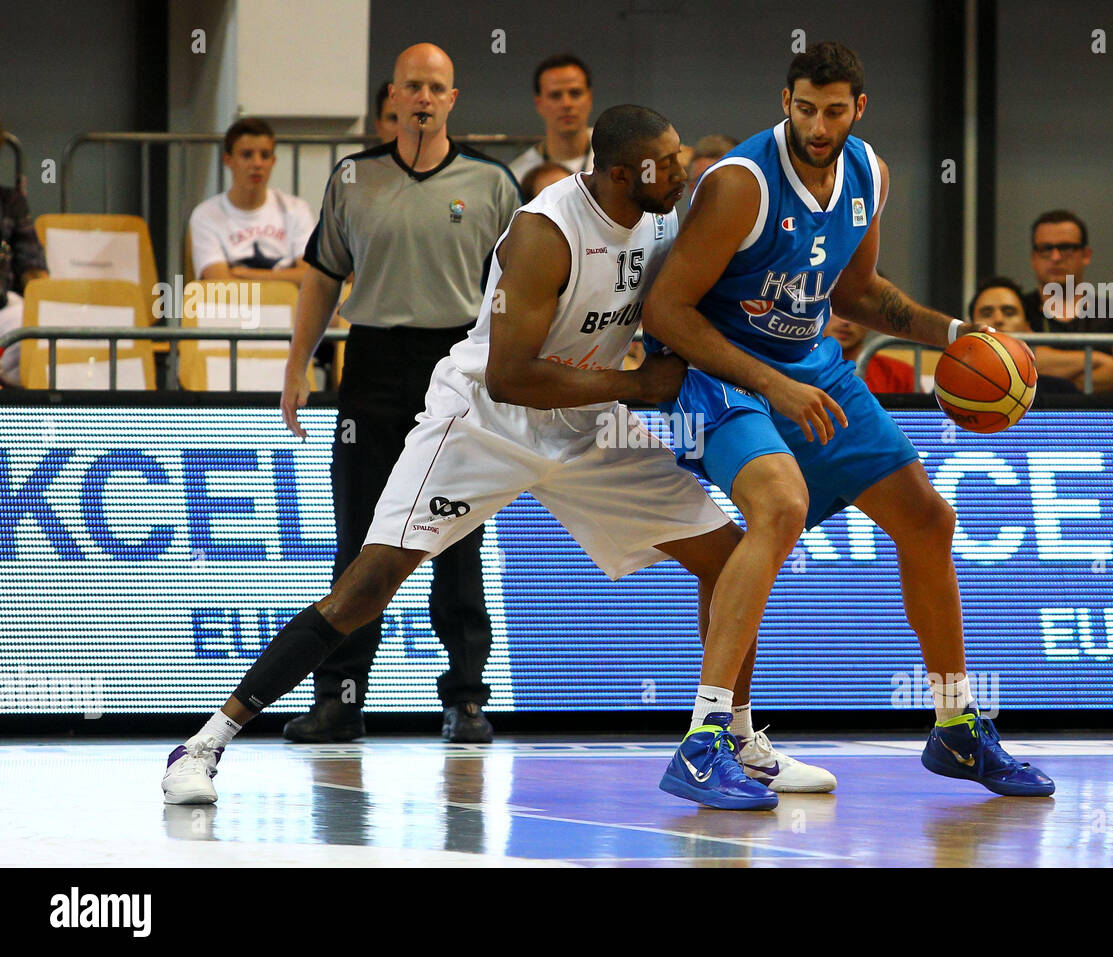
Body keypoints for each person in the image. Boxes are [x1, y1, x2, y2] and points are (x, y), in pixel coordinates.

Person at [162, 104, 833, 812]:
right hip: (484, 419)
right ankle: (204, 743)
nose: (681, 169)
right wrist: (638, 384)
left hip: (585, 424)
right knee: (368, 586)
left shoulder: (665, 220)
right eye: (663, 163)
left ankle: (729, 741)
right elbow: (512, 376)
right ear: (616, 174)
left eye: (678, 157)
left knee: (731, 560)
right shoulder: (546, 233)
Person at [643, 40, 1054, 797]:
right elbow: (666, 309)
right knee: (780, 507)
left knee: (928, 519)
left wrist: (957, 336)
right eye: (805, 108)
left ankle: (956, 726)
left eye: (834, 110)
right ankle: (704, 740)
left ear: (858, 109)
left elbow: (858, 294)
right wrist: (773, 382)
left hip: (809, 365)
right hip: (722, 371)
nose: (819, 125)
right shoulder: (740, 184)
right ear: (786, 102)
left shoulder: (870, 173)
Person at [279, 43, 520, 745]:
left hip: (457, 367)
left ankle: (467, 699)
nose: (422, 97)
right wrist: (298, 363)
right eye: (412, 86)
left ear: (452, 98)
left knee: (457, 536)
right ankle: (340, 699)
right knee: (361, 538)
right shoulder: (352, 178)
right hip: (373, 362)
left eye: (436, 87)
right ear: (393, 95)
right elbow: (324, 276)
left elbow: (520, 289)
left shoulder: (492, 182)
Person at [1022, 210, 1113, 393]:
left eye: (1066, 248)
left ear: (1086, 255)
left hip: (1101, 419)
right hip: (1033, 419)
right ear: (1033, 258)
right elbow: (1012, 364)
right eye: (1046, 249)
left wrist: (1050, 375)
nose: (1055, 257)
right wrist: (1094, 359)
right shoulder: (1017, 308)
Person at [188, 119, 316, 286]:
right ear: (228, 160)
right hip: (233, 310)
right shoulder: (205, 215)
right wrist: (288, 277)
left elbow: (309, 276)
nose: (257, 164)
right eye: (247, 155)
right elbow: (220, 282)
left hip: (288, 309)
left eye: (265, 155)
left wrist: (245, 273)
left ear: (273, 161)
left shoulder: (296, 209)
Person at [0, 121, 48, 388]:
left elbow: (33, 267)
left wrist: (46, 304)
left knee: (32, 326)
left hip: (2, 308)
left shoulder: (10, 202)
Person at [969, 276, 1077, 393]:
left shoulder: (1058, 389)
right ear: (970, 326)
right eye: (986, 313)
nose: (998, 319)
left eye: (1009, 312)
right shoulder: (955, 382)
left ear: (1027, 326)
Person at [508, 54, 594, 183]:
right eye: (555, 95)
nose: (566, 104)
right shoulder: (519, 176)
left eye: (575, 93)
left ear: (589, 98)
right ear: (539, 103)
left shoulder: (617, 156)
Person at [823, 313, 914, 392]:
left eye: (854, 313)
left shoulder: (900, 375)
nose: (845, 321)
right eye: (836, 311)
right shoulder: (808, 371)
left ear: (870, 322)